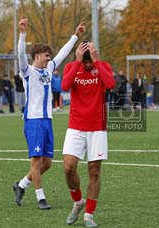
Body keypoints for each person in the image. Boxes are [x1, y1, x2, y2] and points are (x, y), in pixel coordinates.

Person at [12, 17, 86, 210]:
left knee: (47, 163)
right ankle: (41, 198)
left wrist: (75, 37)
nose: (49, 58)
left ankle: (20, 185)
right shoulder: (27, 71)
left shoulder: (49, 69)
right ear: (37, 55)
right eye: (46, 55)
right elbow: (20, 55)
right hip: (34, 121)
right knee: (36, 162)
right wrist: (22, 33)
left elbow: (62, 54)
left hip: (47, 120)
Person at [61, 41, 115, 227]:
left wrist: (97, 61)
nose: (87, 63)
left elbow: (111, 84)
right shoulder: (72, 66)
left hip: (97, 128)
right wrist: (76, 61)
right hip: (75, 126)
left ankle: (89, 215)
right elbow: (65, 86)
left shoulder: (102, 66)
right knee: (68, 168)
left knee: (94, 171)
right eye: (84, 60)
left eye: (89, 59)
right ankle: (78, 202)